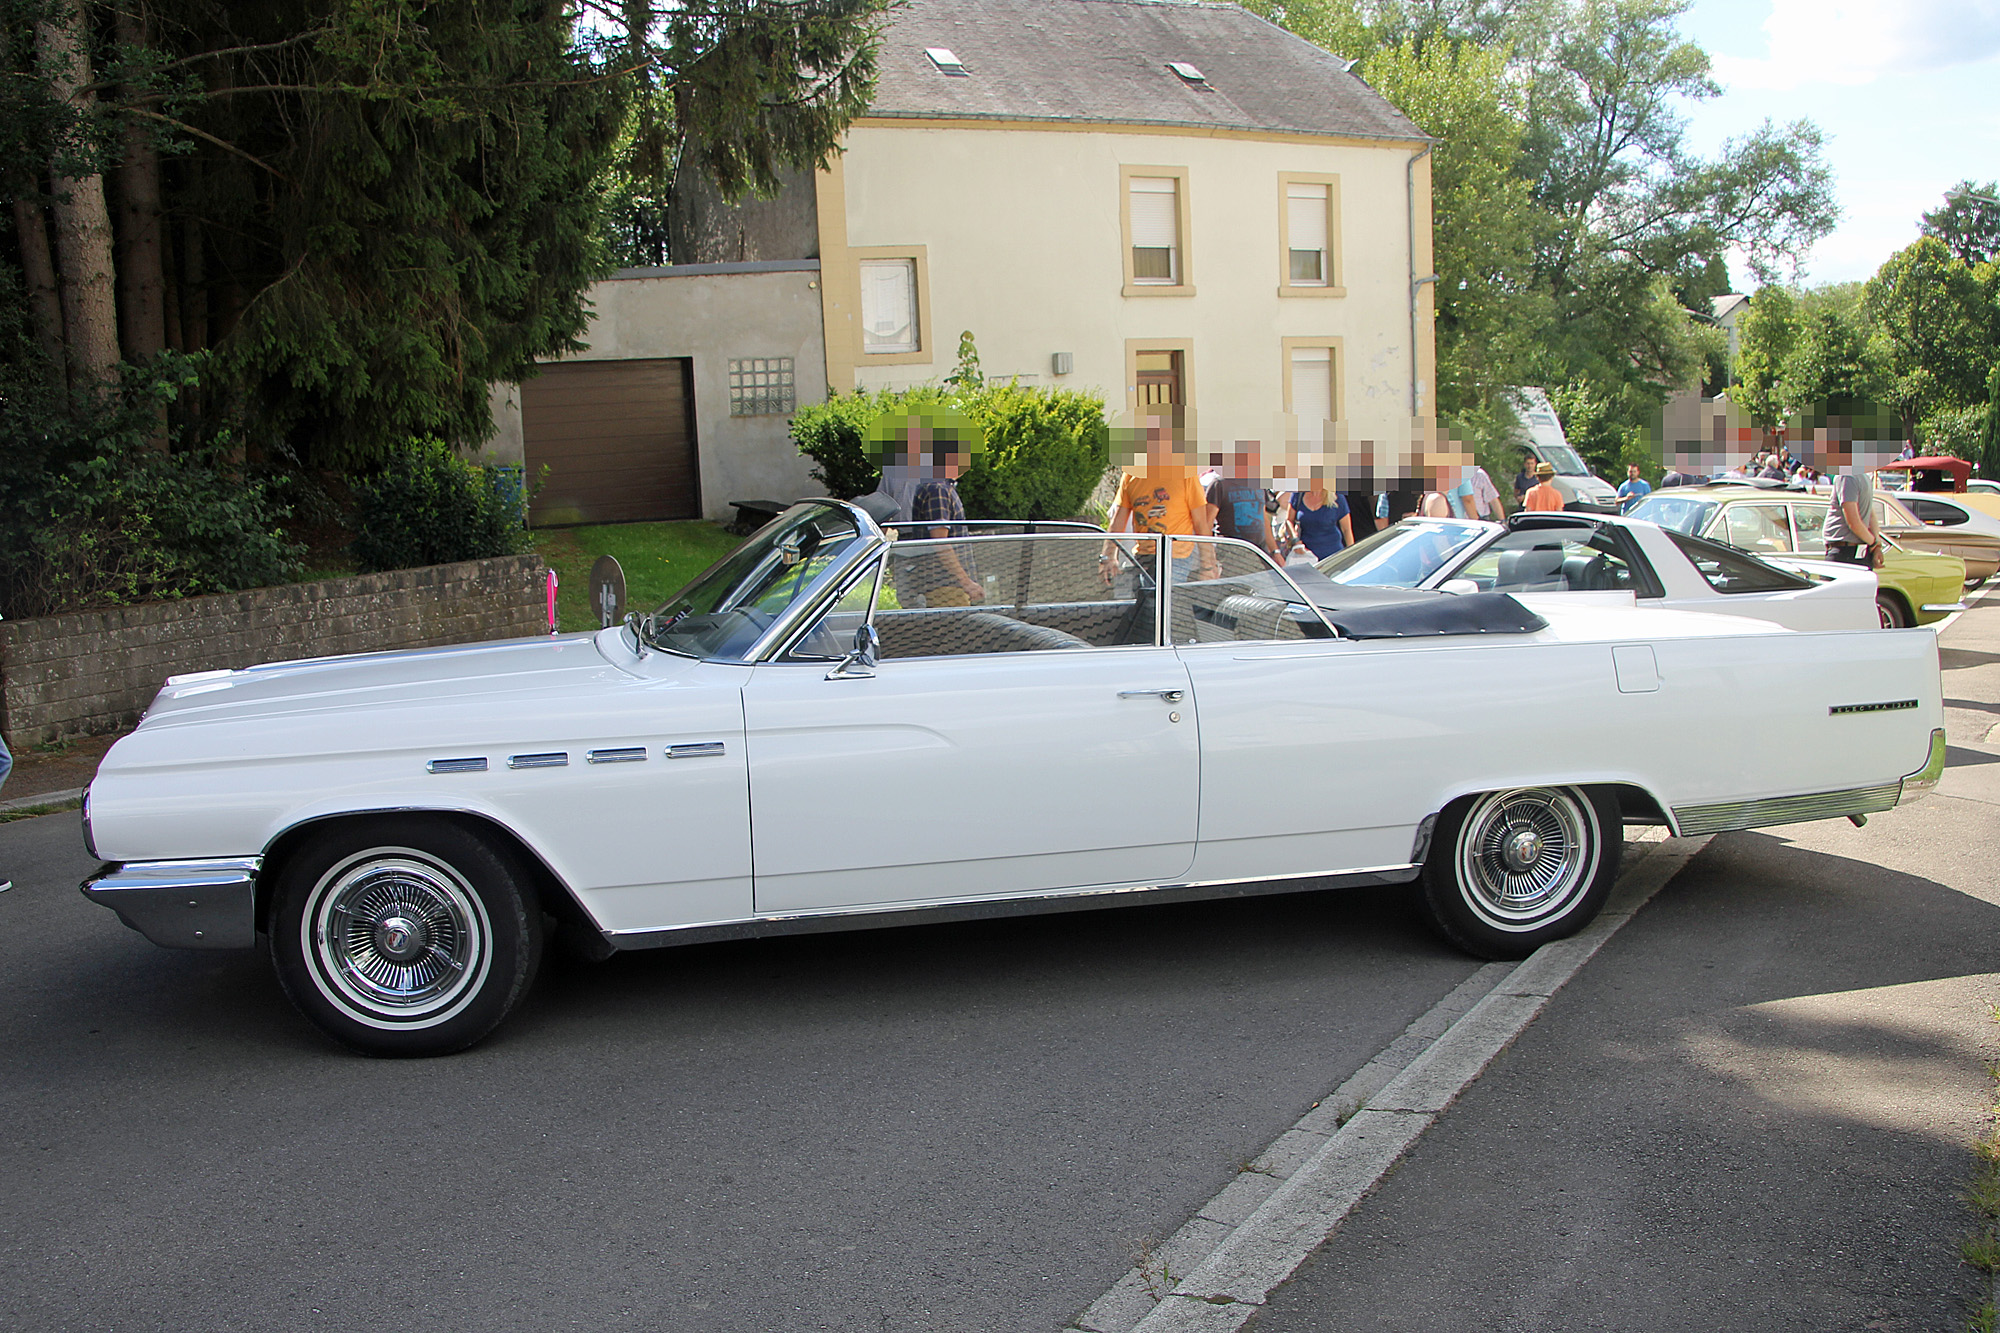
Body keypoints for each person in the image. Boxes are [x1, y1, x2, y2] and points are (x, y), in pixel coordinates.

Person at [1103, 415, 1219, 584]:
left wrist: (1207, 565)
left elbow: (1201, 524)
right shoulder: (1132, 474)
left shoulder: (1185, 473)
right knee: (1146, 604)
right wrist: (1108, 557)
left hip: (1175, 556)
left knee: (1156, 603)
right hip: (1143, 556)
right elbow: (1117, 521)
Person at [903, 439, 986, 606]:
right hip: (946, 588)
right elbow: (940, 543)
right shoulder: (938, 489)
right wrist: (967, 583)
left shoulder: (938, 486)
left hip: (945, 586)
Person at [1206, 448, 1274, 555]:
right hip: (1231, 557)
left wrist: (1275, 551)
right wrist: (1209, 558)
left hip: (1260, 553)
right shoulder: (1219, 485)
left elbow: (1264, 520)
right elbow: (1207, 524)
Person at [1824, 463, 1880, 567]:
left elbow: (1853, 523)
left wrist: (1874, 544)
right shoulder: (1863, 476)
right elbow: (1870, 514)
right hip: (1856, 550)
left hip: (1844, 553)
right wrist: (1875, 543)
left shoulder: (1847, 476)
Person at [1285, 481, 1354, 559]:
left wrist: (1351, 555)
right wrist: (1295, 539)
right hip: (1306, 555)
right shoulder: (1298, 494)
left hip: (1333, 555)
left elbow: (1346, 530)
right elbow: (1289, 520)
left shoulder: (1336, 496)